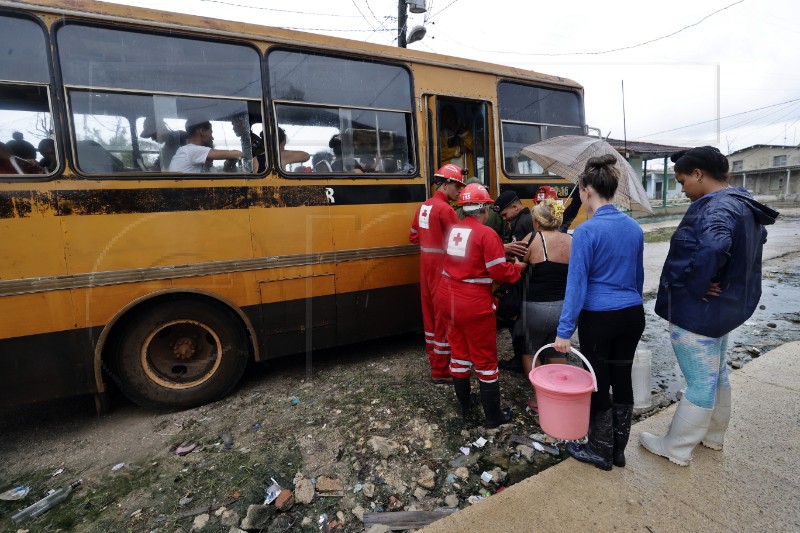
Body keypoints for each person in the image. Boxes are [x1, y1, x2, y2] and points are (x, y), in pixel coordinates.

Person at [639, 147, 778, 466]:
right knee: (716, 374)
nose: (683, 188)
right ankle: (713, 435)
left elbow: (715, 246)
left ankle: (676, 447)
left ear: (699, 173)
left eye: (683, 180)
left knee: (700, 381)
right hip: (724, 311)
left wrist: (698, 284)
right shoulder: (742, 203)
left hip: (698, 313)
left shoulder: (714, 208)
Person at [553, 154, 645, 471]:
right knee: (622, 379)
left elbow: (576, 286)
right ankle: (618, 451)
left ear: (587, 190)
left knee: (598, 381)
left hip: (599, 319)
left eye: (580, 190)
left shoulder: (586, 233)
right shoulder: (634, 229)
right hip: (632, 315)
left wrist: (564, 332)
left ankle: (599, 450)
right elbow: (638, 278)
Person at [436, 182, 523, 428]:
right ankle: (493, 417)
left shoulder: (453, 231)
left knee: (459, 352)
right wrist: (517, 268)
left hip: (448, 297)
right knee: (485, 360)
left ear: (463, 209)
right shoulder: (488, 234)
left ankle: (465, 404)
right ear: (484, 208)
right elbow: (498, 270)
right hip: (473, 301)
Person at [409, 164, 465, 384]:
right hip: (442, 271)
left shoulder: (424, 207)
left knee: (430, 318)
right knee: (443, 319)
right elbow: (461, 242)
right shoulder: (446, 210)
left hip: (426, 271)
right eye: (457, 186)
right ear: (445, 184)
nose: (460, 191)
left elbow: (413, 237)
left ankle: (434, 360)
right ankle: (441, 372)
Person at [518, 198, 572, 412]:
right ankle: (561, 397)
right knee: (557, 351)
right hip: (564, 309)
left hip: (535, 309)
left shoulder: (532, 238)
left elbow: (516, 270)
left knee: (529, 351)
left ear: (537, 222)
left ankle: (541, 400)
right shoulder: (571, 240)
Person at [492, 190, 533, 373]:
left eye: (505, 215)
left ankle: (520, 359)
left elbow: (520, 255)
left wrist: (505, 256)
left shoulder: (519, 224)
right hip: (530, 280)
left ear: (515, 207)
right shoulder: (530, 219)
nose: (505, 219)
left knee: (513, 317)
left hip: (521, 280)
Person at [169, 118, 243, 173]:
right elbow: (238, 154)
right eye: (211, 133)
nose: (212, 137)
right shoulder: (191, 150)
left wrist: (228, 166)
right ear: (202, 131)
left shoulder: (190, 154)